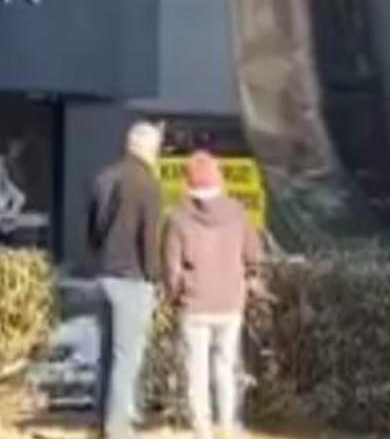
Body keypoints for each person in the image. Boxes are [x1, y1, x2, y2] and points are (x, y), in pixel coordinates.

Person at [162, 151, 263, 439]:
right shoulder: (239, 213)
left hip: (194, 305)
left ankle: (202, 429)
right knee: (227, 366)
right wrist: (247, 280)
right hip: (231, 302)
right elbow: (252, 255)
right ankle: (228, 425)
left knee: (196, 371)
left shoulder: (177, 219)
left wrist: (175, 296)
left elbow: (171, 268)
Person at [88, 121, 164, 439]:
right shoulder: (147, 183)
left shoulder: (105, 176)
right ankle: (118, 427)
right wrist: (154, 275)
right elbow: (149, 235)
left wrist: (98, 256)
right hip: (133, 278)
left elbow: (92, 228)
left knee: (107, 354)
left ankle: (102, 419)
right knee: (127, 356)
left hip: (105, 274)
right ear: (150, 149)